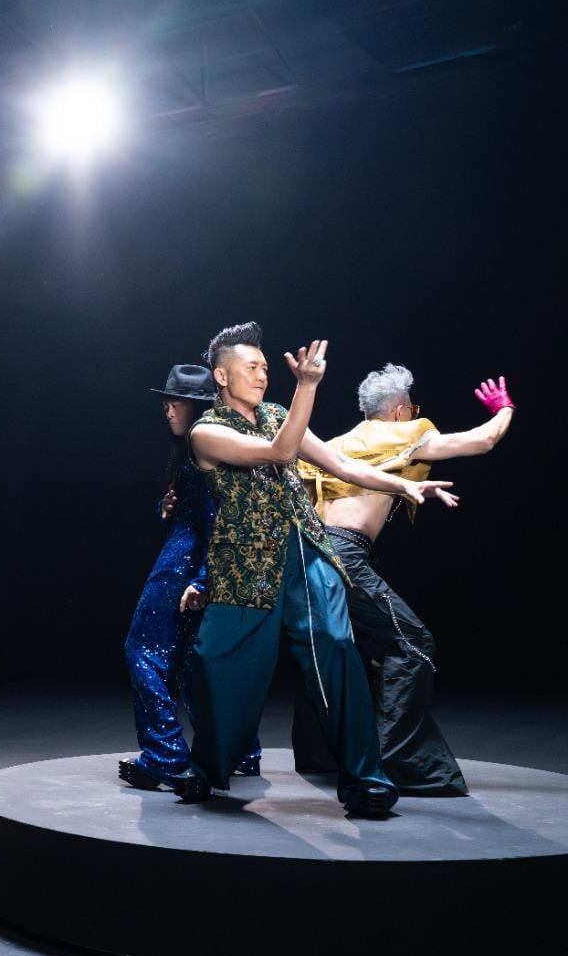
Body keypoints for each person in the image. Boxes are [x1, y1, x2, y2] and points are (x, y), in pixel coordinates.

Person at [175, 322, 456, 817]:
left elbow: (339, 465)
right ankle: (207, 767)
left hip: (305, 552)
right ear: (222, 375)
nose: (262, 375)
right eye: (251, 367)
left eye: (265, 367)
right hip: (245, 566)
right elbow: (279, 451)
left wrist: (403, 486)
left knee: (336, 645)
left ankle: (365, 779)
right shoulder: (207, 432)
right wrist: (307, 386)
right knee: (220, 666)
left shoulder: (278, 415)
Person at [291, 367, 515, 796]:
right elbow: (484, 440)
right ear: (400, 411)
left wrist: (416, 488)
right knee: (413, 643)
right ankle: (398, 762)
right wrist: (504, 409)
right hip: (346, 553)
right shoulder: (406, 432)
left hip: (311, 554)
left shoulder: (337, 445)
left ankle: (322, 754)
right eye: (412, 408)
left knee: (343, 647)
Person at [119, 364, 259, 790]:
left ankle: (164, 756)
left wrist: (201, 578)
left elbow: (220, 519)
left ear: (198, 407)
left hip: (182, 569)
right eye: (165, 402)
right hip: (190, 564)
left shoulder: (203, 449)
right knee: (190, 665)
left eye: (176, 402)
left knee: (142, 651)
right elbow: (195, 514)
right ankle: (238, 751)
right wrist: (166, 507)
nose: (167, 410)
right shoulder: (192, 452)